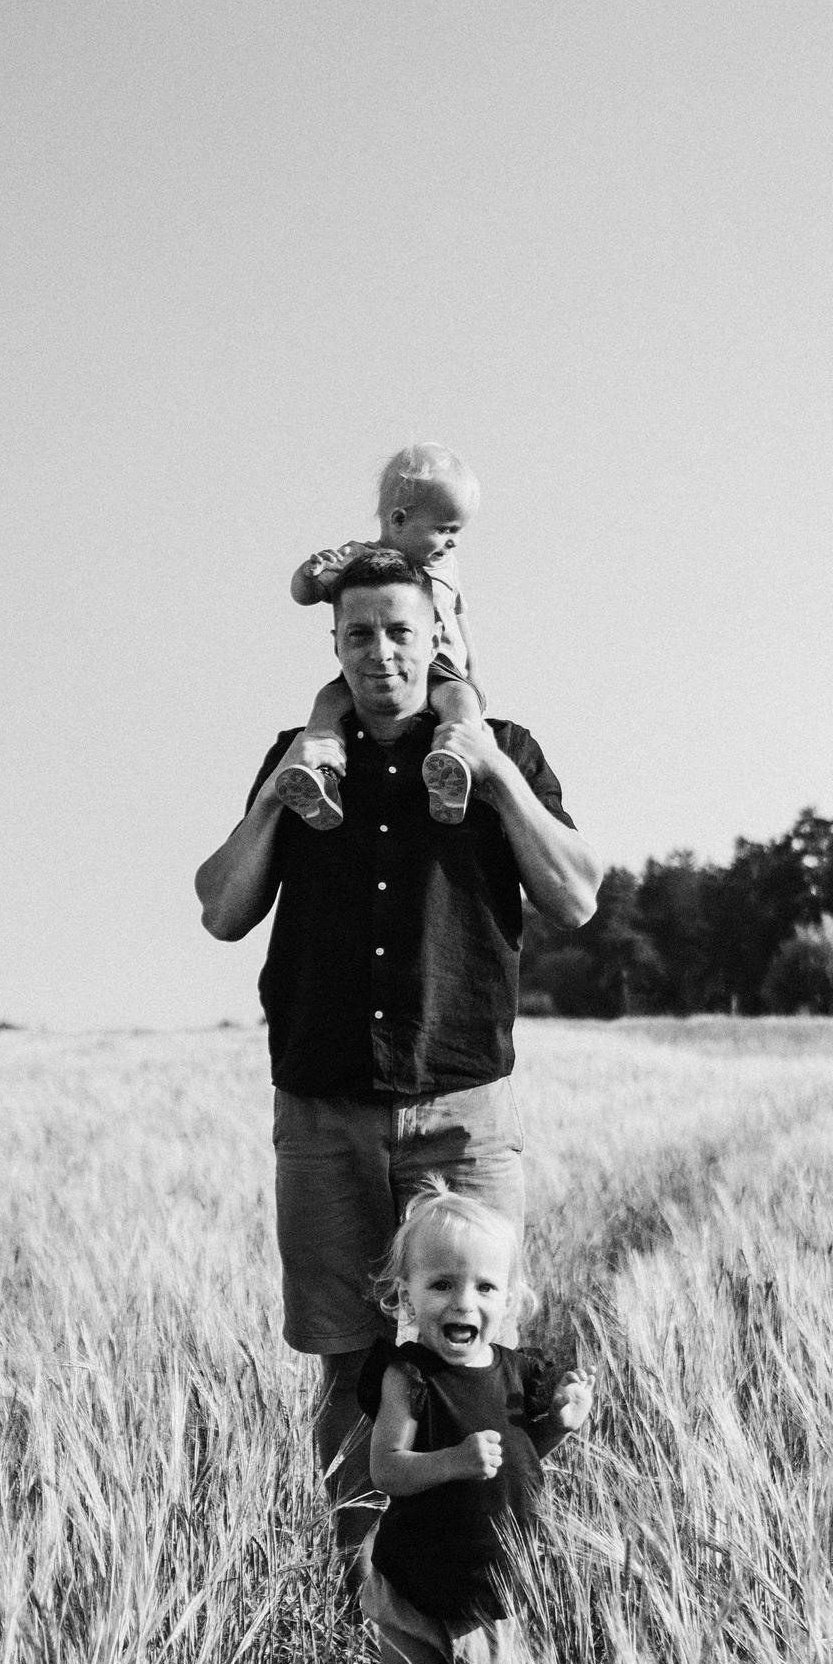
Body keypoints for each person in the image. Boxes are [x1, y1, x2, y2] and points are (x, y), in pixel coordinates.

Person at [193, 542, 601, 1600]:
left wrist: (494, 765)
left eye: (399, 632)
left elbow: (576, 894)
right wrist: (282, 798)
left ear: (436, 641)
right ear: (334, 646)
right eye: (359, 633)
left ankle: (492, 1586)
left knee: (486, 1352)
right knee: (347, 1362)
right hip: (323, 1114)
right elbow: (223, 907)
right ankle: (367, 1589)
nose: (380, 652)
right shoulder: (300, 756)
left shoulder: (498, 746)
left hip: (459, 1111)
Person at [357, 1187, 594, 1664]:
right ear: (406, 1294)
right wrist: (454, 1461)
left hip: (494, 1594)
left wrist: (559, 1426)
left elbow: (519, 1458)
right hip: (414, 1590)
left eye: (485, 1286)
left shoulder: (519, 1374)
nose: (464, 1302)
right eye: (441, 1284)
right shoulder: (409, 1377)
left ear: (512, 1298)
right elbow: (386, 1470)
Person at [273, 441, 485, 828]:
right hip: (373, 669)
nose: (453, 541)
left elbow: (461, 622)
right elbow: (305, 595)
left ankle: (455, 769)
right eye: (443, 529)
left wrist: (472, 677)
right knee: (328, 700)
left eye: (458, 531)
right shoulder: (361, 559)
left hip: (441, 671)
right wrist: (310, 573)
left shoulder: (447, 566)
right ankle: (321, 775)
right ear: (399, 519)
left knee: (461, 704)